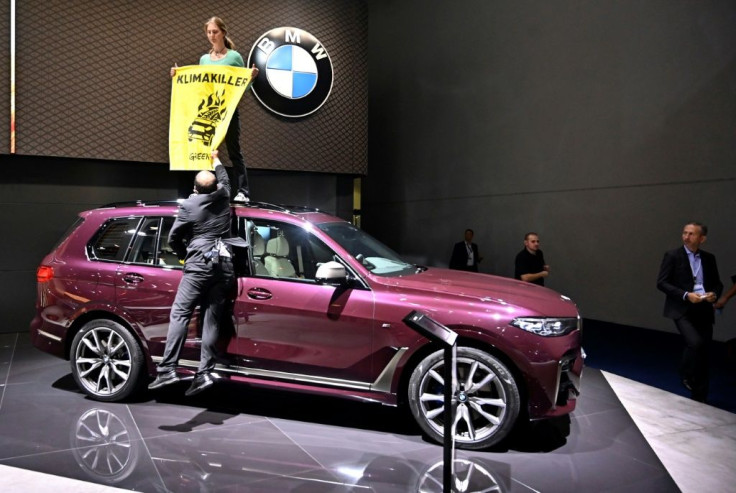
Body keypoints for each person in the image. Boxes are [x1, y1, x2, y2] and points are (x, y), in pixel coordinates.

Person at [149, 150, 236, 396]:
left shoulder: (189, 204)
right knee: (212, 319)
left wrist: (183, 255)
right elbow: (225, 179)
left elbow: (174, 237)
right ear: (216, 187)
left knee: (180, 315)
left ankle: (167, 370)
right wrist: (216, 158)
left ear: (195, 189)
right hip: (225, 265)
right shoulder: (224, 196)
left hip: (199, 264)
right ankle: (204, 373)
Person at [171, 16, 258, 203]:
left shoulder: (234, 57)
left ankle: (243, 191)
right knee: (204, 150)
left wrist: (250, 78)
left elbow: (241, 86)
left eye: (215, 31)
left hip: (228, 111)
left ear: (223, 32)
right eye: (209, 32)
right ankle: (202, 189)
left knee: (235, 151)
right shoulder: (204, 59)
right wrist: (177, 76)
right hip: (208, 112)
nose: (212, 35)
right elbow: (199, 87)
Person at [656, 221, 723, 402]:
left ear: (702, 238)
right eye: (684, 232)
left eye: (691, 234)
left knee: (704, 352)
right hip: (682, 308)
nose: (686, 236)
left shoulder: (709, 258)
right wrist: (686, 295)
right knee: (695, 343)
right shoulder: (673, 256)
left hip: (703, 308)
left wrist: (714, 294)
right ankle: (686, 373)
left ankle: (699, 395)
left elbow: (718, 283)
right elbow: (661, 282)